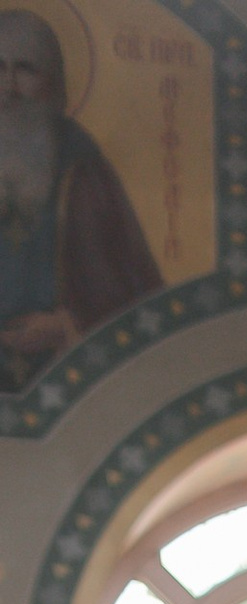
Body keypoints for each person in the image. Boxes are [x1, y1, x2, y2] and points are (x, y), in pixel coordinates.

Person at [0, 13, 161, 390]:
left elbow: (138, 297)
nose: (8, 87)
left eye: (25, 71)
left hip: (66, 383)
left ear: (53, 84)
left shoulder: (86, 172)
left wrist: (67, 326)